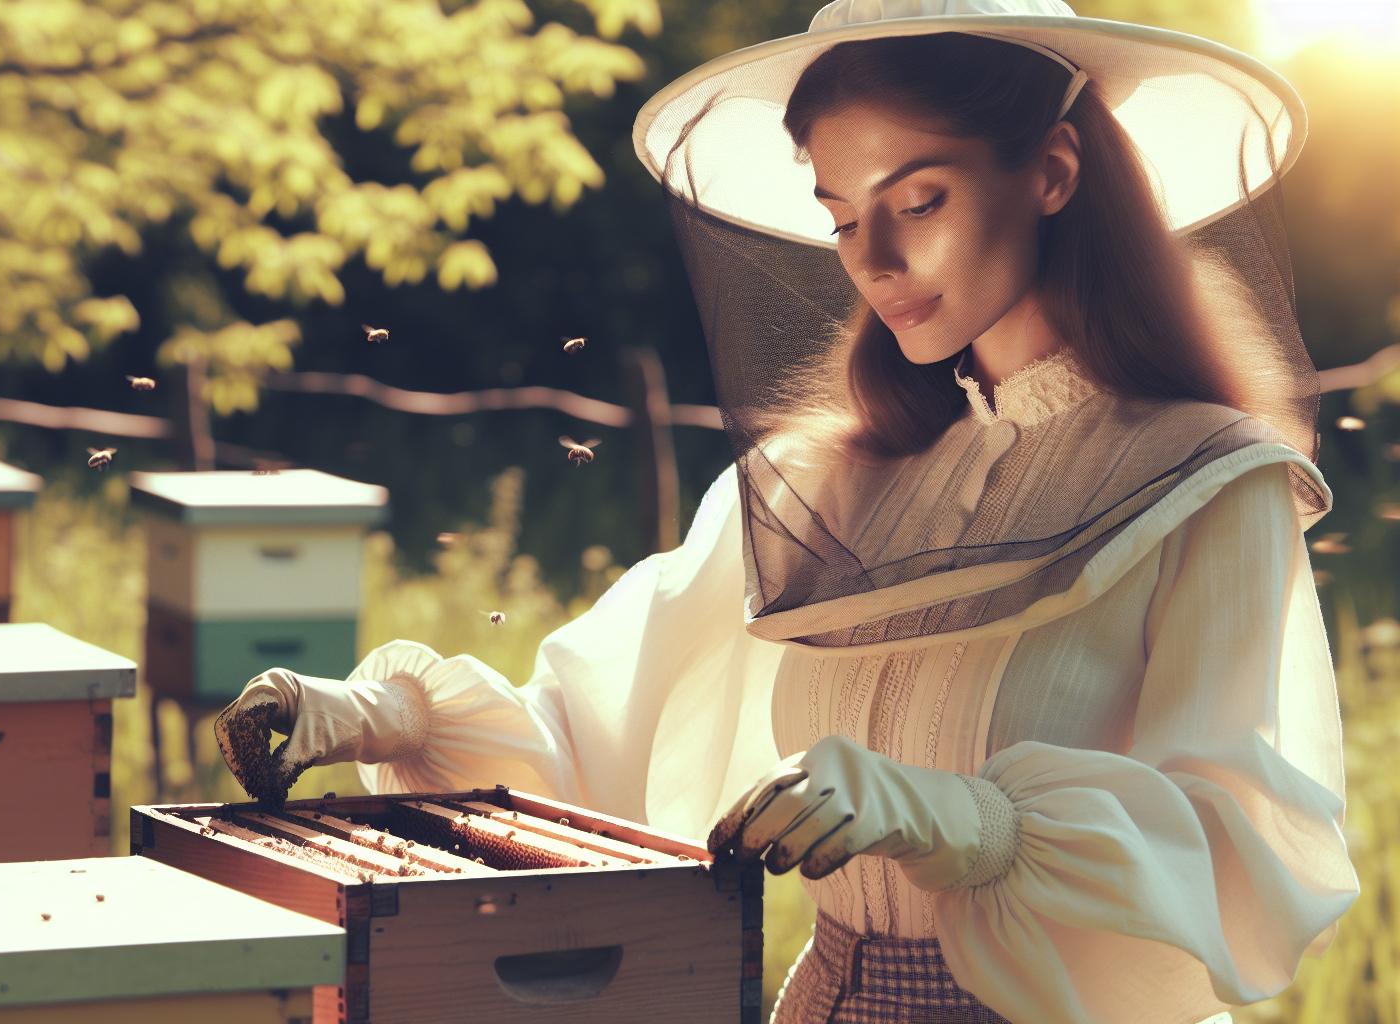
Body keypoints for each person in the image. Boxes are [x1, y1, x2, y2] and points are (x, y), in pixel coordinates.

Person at [213, 1, 1361, 1021]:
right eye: (839, 212)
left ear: (1052, 172)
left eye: (920, 197)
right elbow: (603, 725)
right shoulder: (822, 479)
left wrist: (976, 822)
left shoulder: (1210, 481)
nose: (875, 257)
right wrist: (384, 716)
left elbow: (1246, 844)